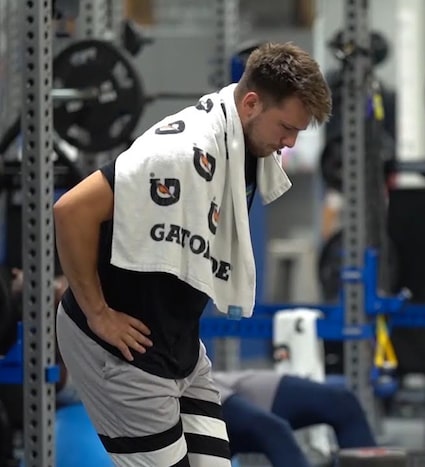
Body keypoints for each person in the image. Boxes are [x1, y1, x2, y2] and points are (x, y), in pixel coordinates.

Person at [54, 42, 332, 467]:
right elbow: (70, 210)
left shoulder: (242, 146)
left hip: (180, 345)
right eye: (286, 127)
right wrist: (97, 314)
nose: (290, 142)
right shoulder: (179, 153)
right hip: (122, 349)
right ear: (253, 103)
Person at [212, 370, 376, 467]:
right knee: (272, 431)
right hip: (205, 424)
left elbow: (272, 429)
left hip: (243, 392)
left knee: (343, 405)